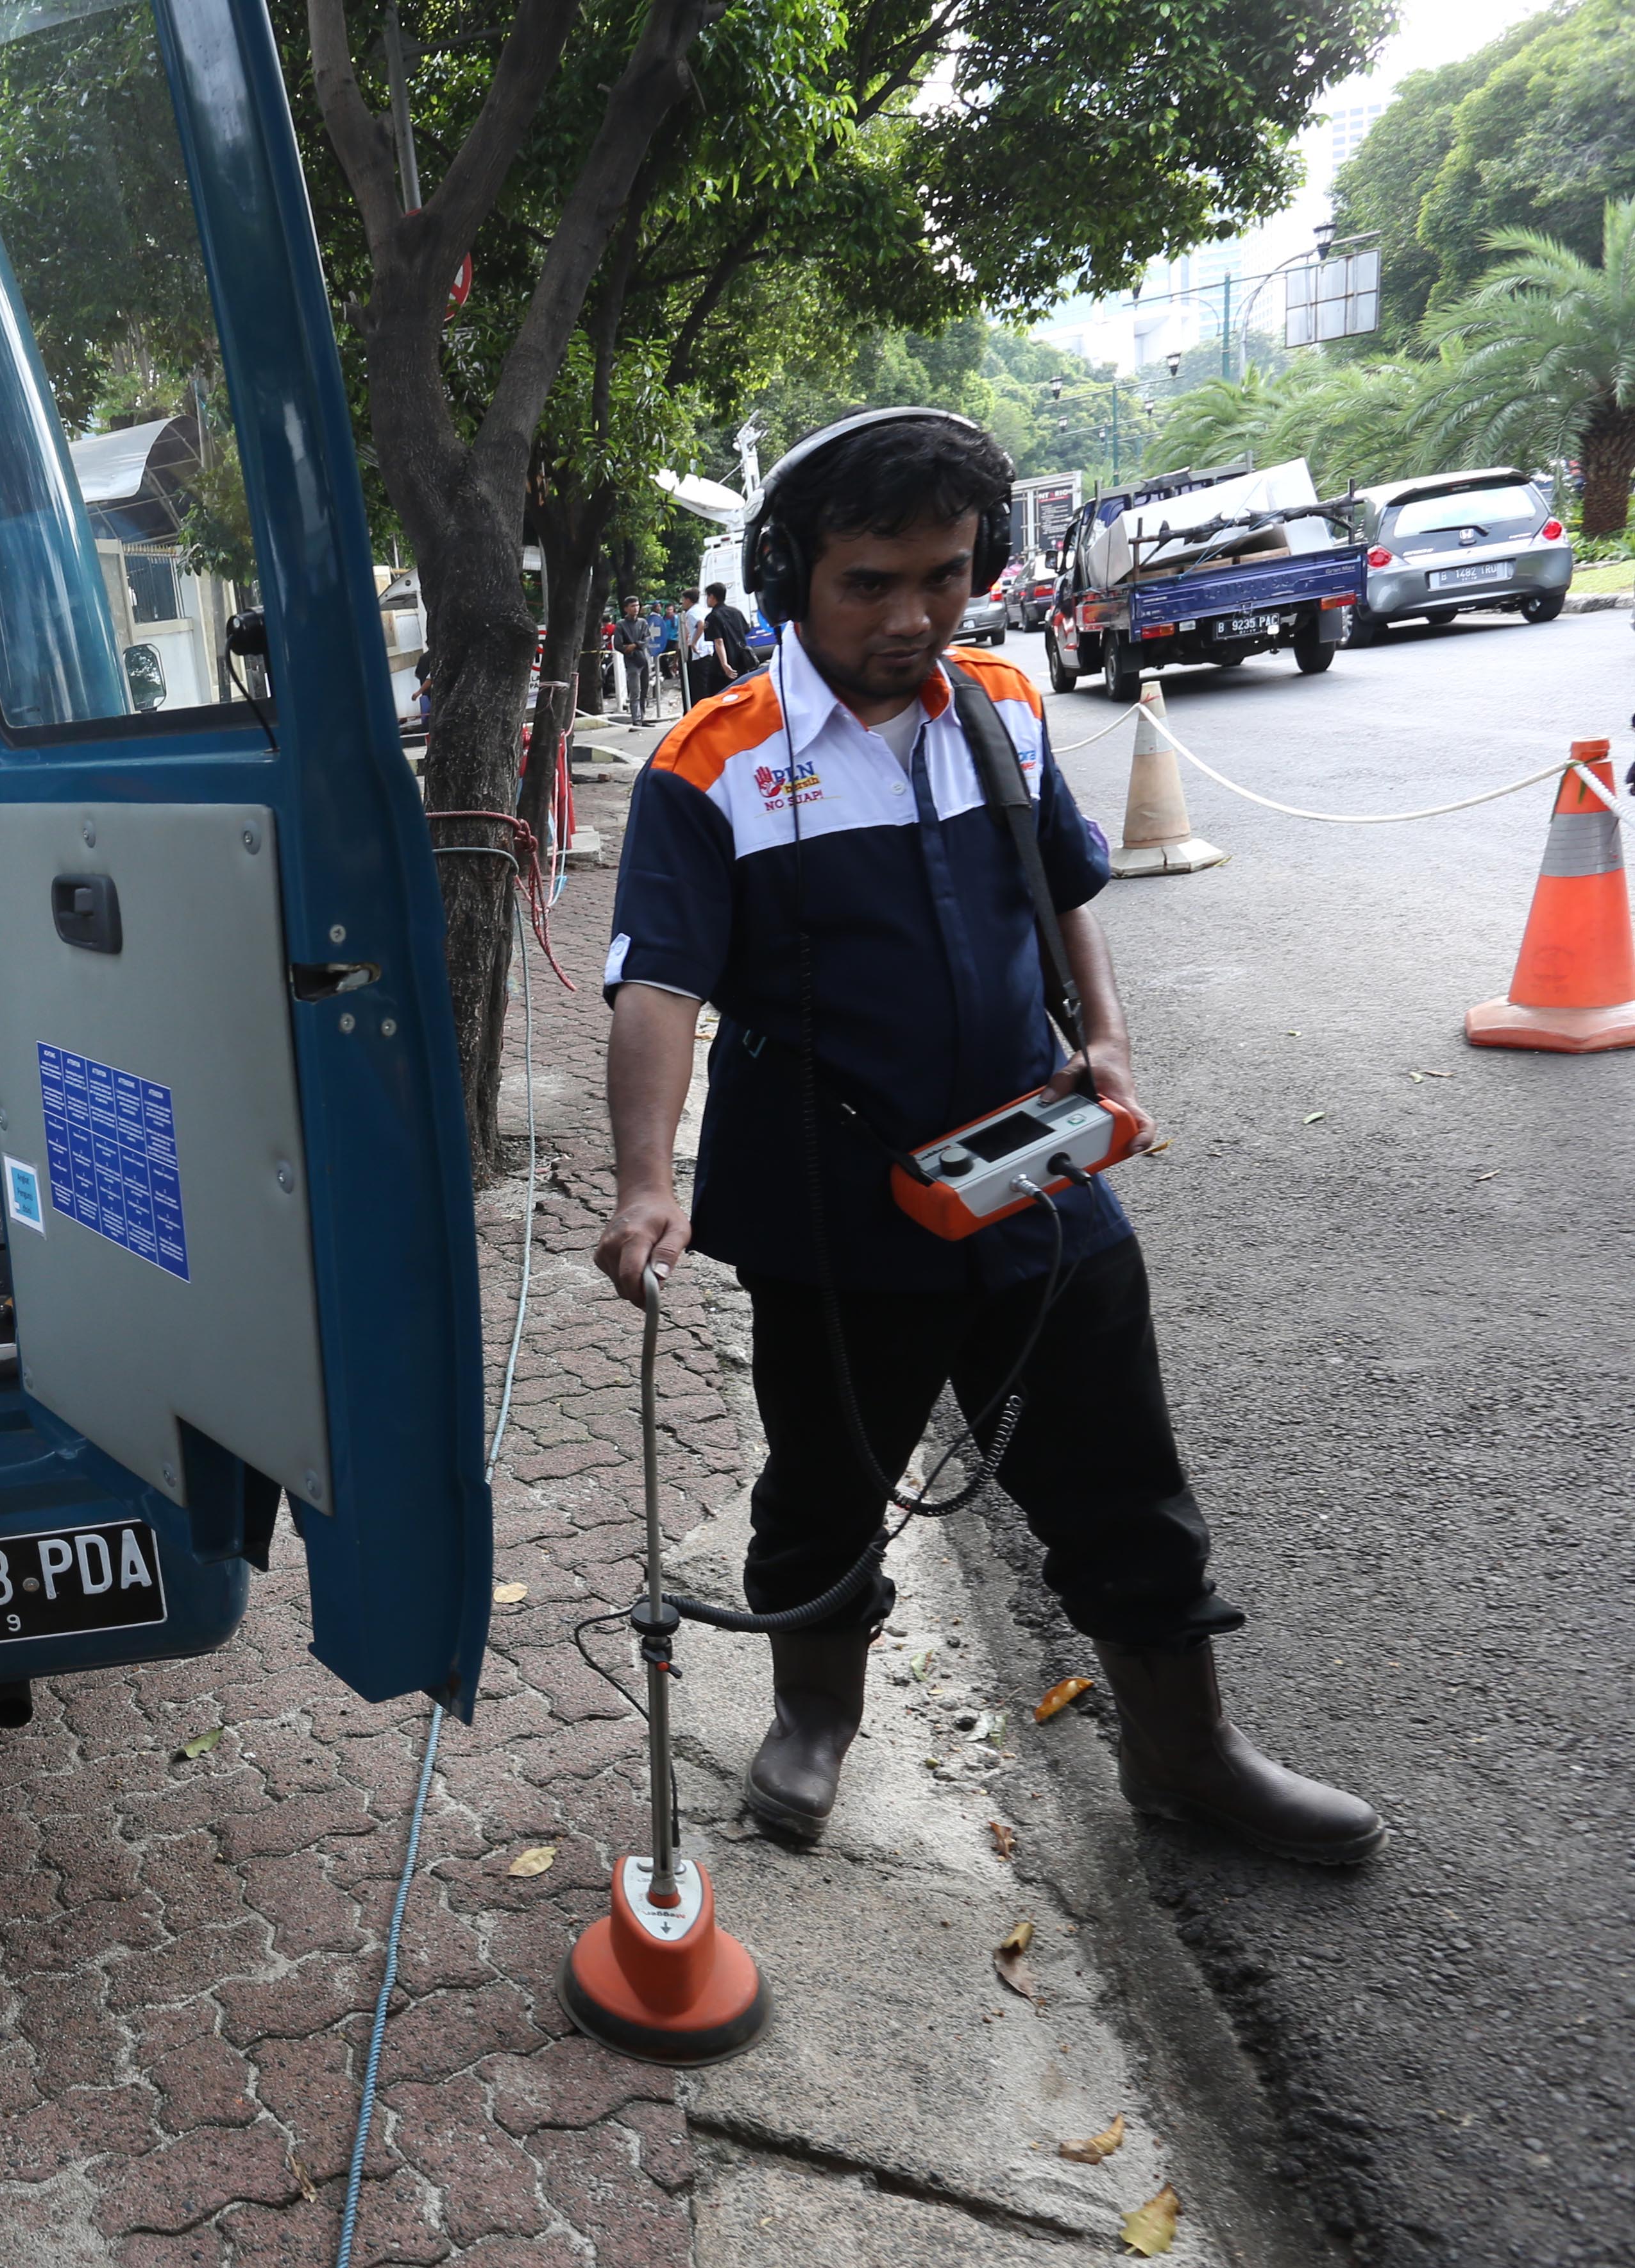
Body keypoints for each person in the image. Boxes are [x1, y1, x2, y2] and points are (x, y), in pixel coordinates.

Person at [592, 408, 1381, 1866]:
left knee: (1119, 1475)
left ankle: (1188, 1755)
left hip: (1035, 1167)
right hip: (832, 1204)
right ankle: (813, 1719)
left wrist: (1110, 1037)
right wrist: (647, 1183)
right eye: (868, 584)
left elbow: (1064, 886)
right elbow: (653, 980)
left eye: (944, 576)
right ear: (791, 576)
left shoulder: (1004, 707)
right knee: (824, 1486)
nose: (911, 617)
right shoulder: (711, 765)